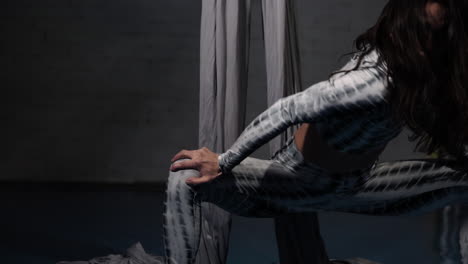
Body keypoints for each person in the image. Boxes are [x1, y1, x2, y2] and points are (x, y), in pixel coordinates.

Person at [165, 0, 468, 264]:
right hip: (296, 182)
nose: (428, 44)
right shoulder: (371, 83)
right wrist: (225, 161)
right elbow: (286, 110)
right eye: (423, 30)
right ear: (400, 27)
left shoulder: (418, 78)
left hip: (357, 185)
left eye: (439, 34)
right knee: (184, 177)